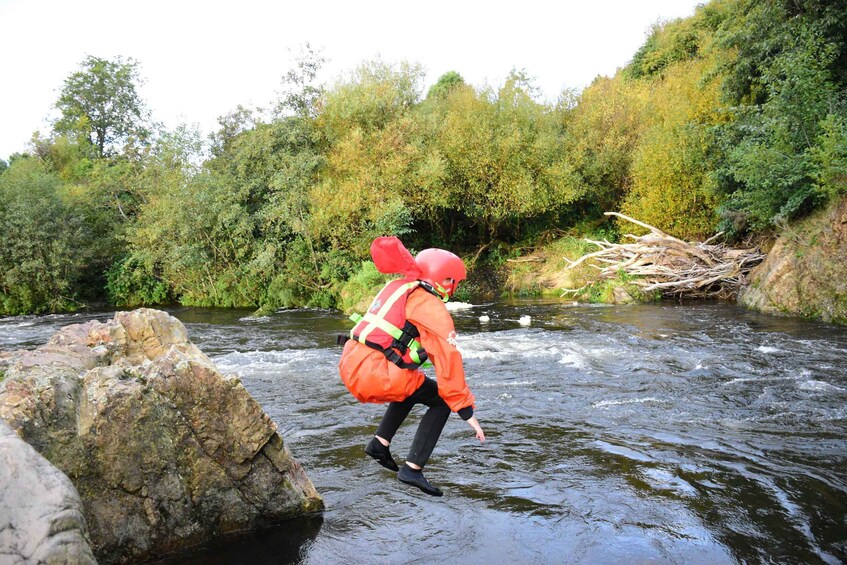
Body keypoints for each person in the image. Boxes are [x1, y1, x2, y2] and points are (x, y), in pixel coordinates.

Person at [338, 236, 485, 496]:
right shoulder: (429, 304)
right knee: (440, 399)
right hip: (375, 372)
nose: (454, 287)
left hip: (352, 363)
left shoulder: (399, 285)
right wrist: (465, 410)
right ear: (443, 278)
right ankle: (412, 469)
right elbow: (448, 359)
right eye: (453, 281)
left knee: (411, 382)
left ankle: (379, 443)